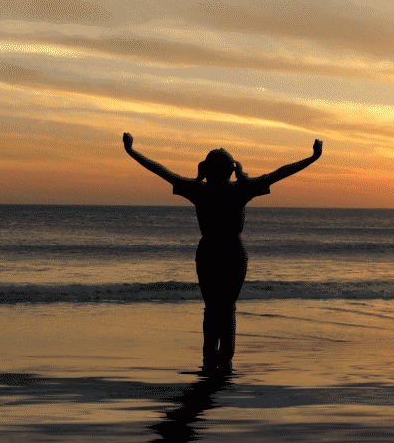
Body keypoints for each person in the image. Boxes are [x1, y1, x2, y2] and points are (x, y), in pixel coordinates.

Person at [123, 132, 322, 374]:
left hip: (213, 251)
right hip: (229, 252)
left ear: (208, 169)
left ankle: (212, 358)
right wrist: (312, 157)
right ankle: (223, 360)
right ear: (232, 169)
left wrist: (132, 152)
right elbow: (280, 172)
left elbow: (161, 170)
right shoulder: (238, 189)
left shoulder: (201, 189)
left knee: (214, 307)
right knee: (226, 307)